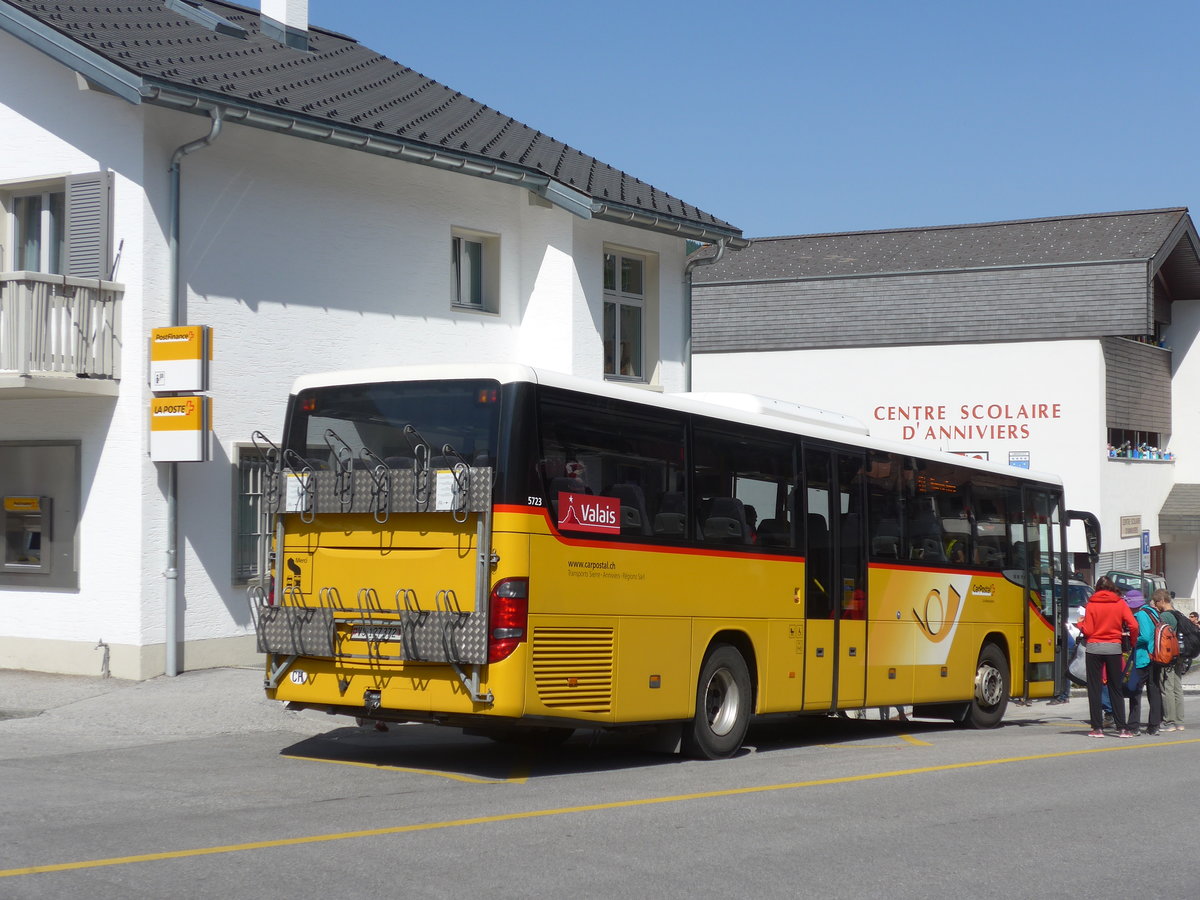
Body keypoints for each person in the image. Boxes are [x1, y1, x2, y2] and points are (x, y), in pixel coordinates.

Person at [1078, 576, 1138, 738]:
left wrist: (1080, 624)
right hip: (1113, 648)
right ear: (1112, 587)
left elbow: (1088, 630)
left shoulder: (1091, 604)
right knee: (1115, 688)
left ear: (1097, 588)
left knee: (1094, 688)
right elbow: (1133, 625)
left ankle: (1097, 728)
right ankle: (1122, 728)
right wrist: (1132, 641)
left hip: (1094, 648)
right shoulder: (1120, 603)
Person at [1124, 590, 1163, 736]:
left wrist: (1131, 637)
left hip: (1143, 658)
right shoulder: (1152, 611)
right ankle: (1154, 726)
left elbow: (1145, 636)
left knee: (1135, 690)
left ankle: (1133, 726)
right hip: (1156, 657)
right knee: (1154, 691)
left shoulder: (1140, 615)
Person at [1153, 589, 1185, 732]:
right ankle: (1179, 721)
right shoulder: (1178, 613)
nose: (1156, 605)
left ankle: (1169, 721)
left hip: (1168, 654)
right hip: (1179, 654)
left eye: (1156, 602)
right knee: (1177, 687)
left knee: (1167, 688)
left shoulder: (1164, 616)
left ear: (1161, 601)